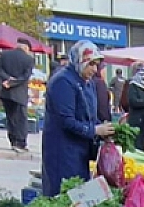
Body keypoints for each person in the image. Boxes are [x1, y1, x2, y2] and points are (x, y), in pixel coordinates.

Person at [41, 40, 114, 196]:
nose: (95, 70)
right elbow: (67, 121)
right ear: (80, 60)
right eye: (91, 64)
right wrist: (95, 130)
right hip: (63, 151)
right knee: (63, 197)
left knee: (80, 196)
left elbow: (90, 115)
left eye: (97, 65)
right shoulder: (63, 81)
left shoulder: (88, 83)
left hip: (80, 151)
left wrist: (104, 131)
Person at [0, 35, 34, 152]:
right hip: (19, 93)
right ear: (26, 48)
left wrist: (7, 79)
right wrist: (13, 82)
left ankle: (13, 140)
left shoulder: (5, 55)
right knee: (21, 118)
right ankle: (21, 142)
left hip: (6, 92)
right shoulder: (29, 59)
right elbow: (25, 76)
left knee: (10, 117)